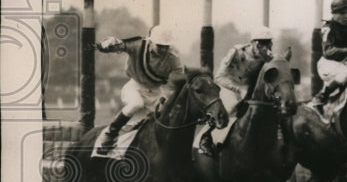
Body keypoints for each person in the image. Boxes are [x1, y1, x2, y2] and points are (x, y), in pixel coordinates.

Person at [95, 25, 184, 155]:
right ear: (150, 41)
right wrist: (107, 43)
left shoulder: (174, 59)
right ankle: (110, 134)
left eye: (166, 46)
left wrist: (170, 97)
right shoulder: (138, 45)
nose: (163, 49)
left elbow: (176, 82)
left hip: (157, 92)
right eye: (159, 45)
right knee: (136, 104)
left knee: (167, 120)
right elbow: (119, 44)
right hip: (134, 86)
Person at [198, 27, 275, 155]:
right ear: (256, 44)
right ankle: (206, 138)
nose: (268, 49)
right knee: (231, 105)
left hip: (248, 89)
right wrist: (237, 89)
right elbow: (219, 76)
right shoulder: (236, 52)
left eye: (269, 44)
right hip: (228, 85)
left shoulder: (266, 57)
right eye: (264, 45)